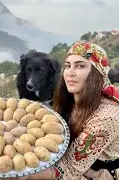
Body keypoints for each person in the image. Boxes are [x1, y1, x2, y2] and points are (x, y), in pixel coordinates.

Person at [9, 41, 119, 180]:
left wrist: (19, 176)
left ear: (96, 73)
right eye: (68, 66)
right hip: (67, 162)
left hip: (91, 174)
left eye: (80, 66)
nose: (70, 72)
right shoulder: (70, 98)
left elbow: (66, 170)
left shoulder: (106, 117)